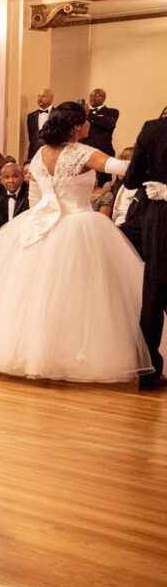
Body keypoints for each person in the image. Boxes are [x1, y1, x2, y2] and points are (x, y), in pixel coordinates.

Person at [0, 101, 150, 383]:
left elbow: (36, 199)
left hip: (38, 222)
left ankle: (28, 351)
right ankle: (72, 353)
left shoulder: (40, 155)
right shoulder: (83, 152)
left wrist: (39, 220)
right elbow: (122, 167)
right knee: (81, 292)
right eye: (85, 121)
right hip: (78, 222)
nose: (88, 125)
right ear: (76, 126)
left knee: (32, 293)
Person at [122, 115, 167, 390]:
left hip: (159, 216)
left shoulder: (153, 128)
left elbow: (132, 179)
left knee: (154, 292)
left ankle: (148, 371)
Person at [83, 88, 119, 156]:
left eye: (96, 95)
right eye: (91, 95)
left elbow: (109, 124)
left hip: (102, 149)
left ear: (104, 98)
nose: (93, 97)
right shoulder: (85, 113)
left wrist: (89, 115)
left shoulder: (111, 111)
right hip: (85, 149)